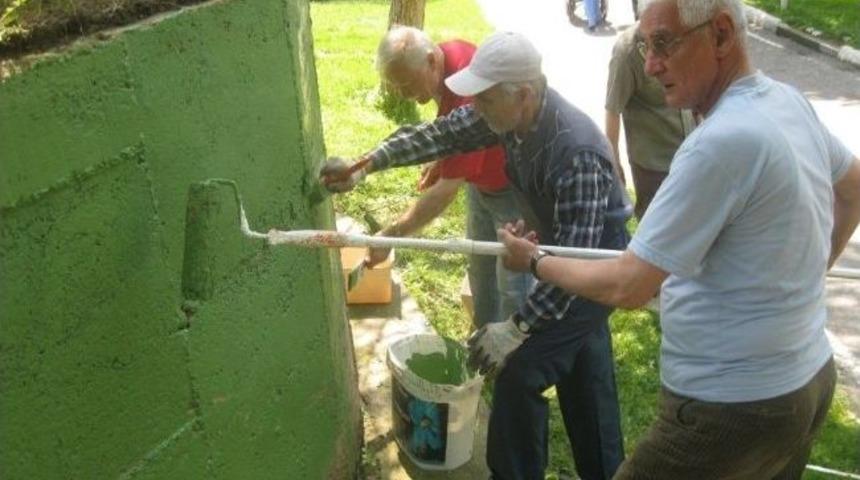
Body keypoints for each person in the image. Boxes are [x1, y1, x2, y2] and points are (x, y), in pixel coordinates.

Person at [499, 0, 860, 478]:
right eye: (646, 46)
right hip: (806, 381)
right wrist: (809, 275)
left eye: (664, 44)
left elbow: (630, 285)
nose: (650, 65)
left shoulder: (720, 143)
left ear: (722, 35)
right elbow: (853, 190)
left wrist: (536, 261)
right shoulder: (786, 101)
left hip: (731, 408)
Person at [323, 31, 629, 480]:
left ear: (523, 94)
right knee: (583, 364)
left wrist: (516, 326)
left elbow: (576, 268)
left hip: (595, 264)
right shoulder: (503, 115)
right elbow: (438, 135)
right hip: (559, 247)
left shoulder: (576, 152)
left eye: (484, 99)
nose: (475, 110)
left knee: (519, 369)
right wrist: (365, 165)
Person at [368, 26, 531, 327]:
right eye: (397, 87)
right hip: (482, 185)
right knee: (481, 267)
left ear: (431, 60)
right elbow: (449, 129)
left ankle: (514, 356)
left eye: (406, 84)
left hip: (512, 191)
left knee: (513, 284)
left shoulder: (466, 89)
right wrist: (442, 160)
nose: (404, 95)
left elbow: (446, 191)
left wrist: (392, 233)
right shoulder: (446, 56)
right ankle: (483, 342)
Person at [605, 24, 696, 218]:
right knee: (657, 229)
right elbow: (613, 110)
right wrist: (615, 164)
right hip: (654, 166)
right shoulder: (627, 51)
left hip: (691, 153)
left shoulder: (681, 35)